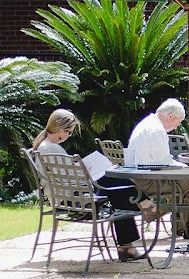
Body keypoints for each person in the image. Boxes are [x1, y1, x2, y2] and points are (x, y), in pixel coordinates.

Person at [33, 108, 148, 261]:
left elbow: (67, 176)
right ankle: (144, 207)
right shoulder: (52, 148)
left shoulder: (44, 146)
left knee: (116, 188)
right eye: (69, 132)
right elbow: (74, 179)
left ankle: (129, 242)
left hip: (65, 197)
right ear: (61, 130)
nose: (68, 136)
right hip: (74, 199)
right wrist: (91, 170)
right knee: (118, 186)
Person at [128, 98, 189, 239]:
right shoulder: (157, 129)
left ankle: (185, 227)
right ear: (171, 116)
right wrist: (185, 168)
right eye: (178, 121)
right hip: (149, 179)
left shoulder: (147, 123)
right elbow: (163, 163)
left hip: (141, 176)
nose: (177, 126)